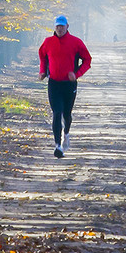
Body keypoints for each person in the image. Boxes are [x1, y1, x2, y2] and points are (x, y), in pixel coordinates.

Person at [37, 15, 91, 158]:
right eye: (57, 26)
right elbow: (42, 55)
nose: (60, 29)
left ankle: (66, 133)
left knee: (66, 114)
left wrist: (77, 74)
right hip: (54, 83)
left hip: (69, 84)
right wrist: (42, 71)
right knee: (56, 113)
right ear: (54, 27)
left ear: (67, 26)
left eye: (62, 26)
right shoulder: (48, 42)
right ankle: (58, 146)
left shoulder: (76, 42)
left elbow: (87, 60)